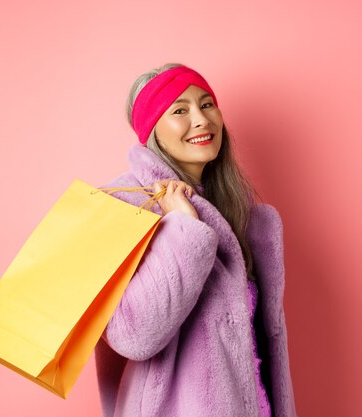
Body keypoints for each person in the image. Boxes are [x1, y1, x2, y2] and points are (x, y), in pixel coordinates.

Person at [94, 63, 298, 417]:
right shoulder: (127, 208)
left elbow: (264, 352)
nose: (202, 120)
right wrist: (184, 231)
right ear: (152, 129)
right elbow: (133, 336)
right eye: (179, 110)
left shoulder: (245, 219)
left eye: (206, 104)